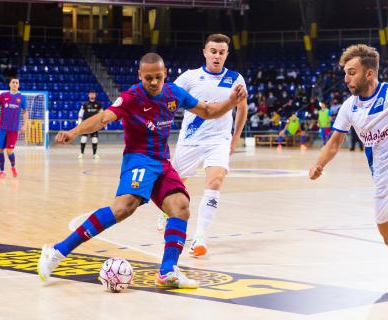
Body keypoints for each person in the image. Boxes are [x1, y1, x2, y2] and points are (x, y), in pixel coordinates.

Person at [37, 53, 247, 288]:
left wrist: (230, 102)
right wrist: (74, 132)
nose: (154, 82)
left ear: (165, 74)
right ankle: (56, 252)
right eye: (149, 78)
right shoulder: (131, 98)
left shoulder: (174, 93)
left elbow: (208, 111)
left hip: (162, 162)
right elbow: (103, 118)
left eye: (158, 77)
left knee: (180, 207)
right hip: (138, 160)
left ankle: (168, 271)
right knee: (123, 207)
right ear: (140, 76)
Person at [309, 44, 388, 280]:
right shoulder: (349, 107)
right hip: (382, 175)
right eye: (345, 73)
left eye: (351, 72)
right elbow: (335, 142)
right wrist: (319, 164)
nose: (346, 78)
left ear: (369, 73)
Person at [156, 34, 248, 258]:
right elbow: (168, 99)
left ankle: (199, 237)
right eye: (213, 51)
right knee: (177, 182)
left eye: (221, 52)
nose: (217, 56)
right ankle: (167, 211)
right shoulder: (190, 77)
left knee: (215, 181)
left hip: (219, 140)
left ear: (227, 54)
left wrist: (234, 140)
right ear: (205, 52)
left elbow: (242, 110)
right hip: (190, 139)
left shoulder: (236, 79)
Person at [0, 77, 28, 179]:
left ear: (18, 85)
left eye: (17, 82)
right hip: (2, 128)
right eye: (13, 82)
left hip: (13, 129)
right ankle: (2, 171)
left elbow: (25, 111)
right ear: (9, 84)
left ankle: (13, 167)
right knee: (0, 150)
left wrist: (25, 124)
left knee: (9, 151)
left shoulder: (22, 97)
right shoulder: (3, 95)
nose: (15, 84)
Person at [78, 90, 104, 159]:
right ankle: (81, 153)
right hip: (86, 124)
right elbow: (80, 114)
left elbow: (102, 114)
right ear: (88, 95)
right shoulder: (85, 104)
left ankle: (94, 154)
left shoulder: (98, 104)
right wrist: (79, 123)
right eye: (91, 94)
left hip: (94, 125)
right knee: (83, 139)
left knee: (94, 139)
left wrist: (102, 122)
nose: (92, 95)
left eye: (93, 94)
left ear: (95, 95)